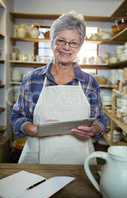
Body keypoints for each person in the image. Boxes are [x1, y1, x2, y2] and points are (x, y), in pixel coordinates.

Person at [11, 11, 107, 164]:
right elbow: (17, 116)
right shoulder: (32, 79)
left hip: (79, 161)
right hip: (38, 159)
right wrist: (29, 128)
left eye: (73, 43)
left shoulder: (89, 82)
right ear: (52, 41)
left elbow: (100, 118)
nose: (66, 48)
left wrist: (94, 129)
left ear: (80, 46)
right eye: (61, 41)